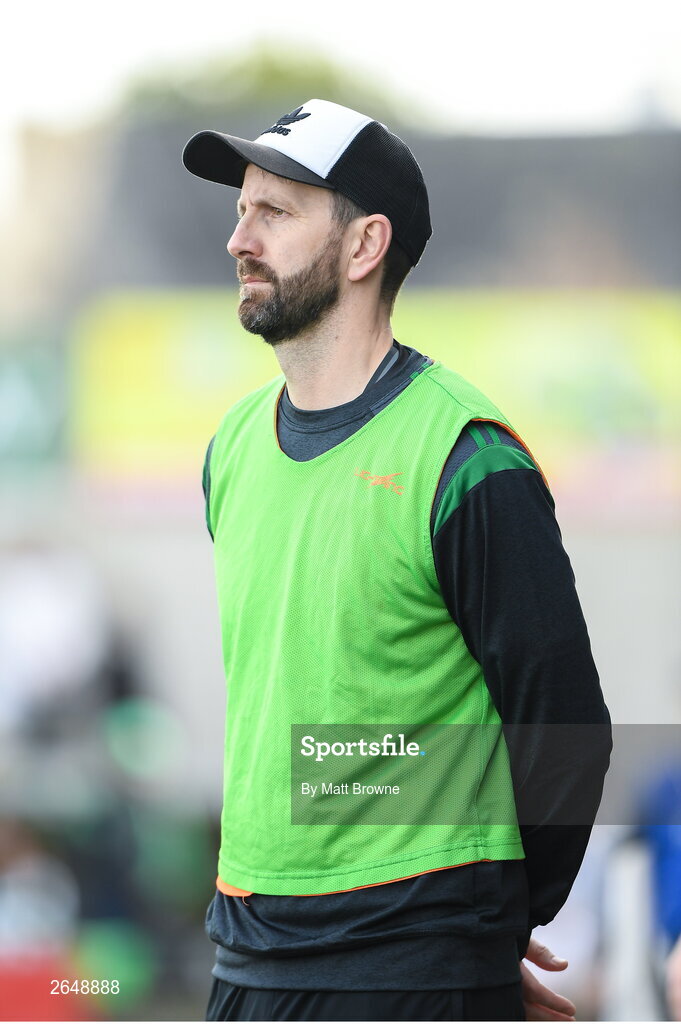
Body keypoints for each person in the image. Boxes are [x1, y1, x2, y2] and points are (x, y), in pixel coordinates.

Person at [182, 98, 612, 1022]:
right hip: (248, 959)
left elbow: (563, 729)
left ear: (365, 244)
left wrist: (484, 930)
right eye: (240, 209)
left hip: (409, 971)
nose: (238, 240)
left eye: (275, 213)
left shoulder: (465, 455)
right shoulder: (231, 448)